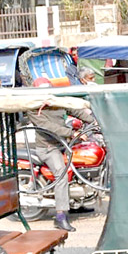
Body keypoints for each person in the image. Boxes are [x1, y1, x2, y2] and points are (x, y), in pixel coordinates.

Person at [27, 77, 95, 232]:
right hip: (48, 147)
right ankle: (60, 216)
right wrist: (70, 133)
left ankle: (78, 202)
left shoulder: (56, 101)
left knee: (82, 161)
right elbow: (48, 127)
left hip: (63, 143)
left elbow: (74, 109)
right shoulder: (33, 107)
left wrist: (94, 120)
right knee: (61, 174)